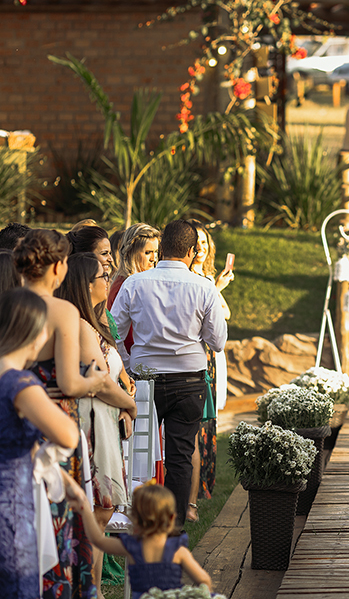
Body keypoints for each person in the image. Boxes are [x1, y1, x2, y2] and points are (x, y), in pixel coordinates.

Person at [111, 219, 228, 525]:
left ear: (161, 248)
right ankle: (173, 528)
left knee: (139, 454)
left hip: (144, 379)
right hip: (188, 381)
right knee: (180, 456)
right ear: (192, 251)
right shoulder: (204, 287)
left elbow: (113, 331)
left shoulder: (134, 284)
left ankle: (139, 522)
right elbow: (218, 341)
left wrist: (127, 363)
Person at [55, 252, 137, 588]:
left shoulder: (94, 323)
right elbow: (100, 380)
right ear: (85, 285)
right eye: (102, 276)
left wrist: (123, 404)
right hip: (91, 420)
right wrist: (130, 405)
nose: (108, 280)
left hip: (104, 417)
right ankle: (88, 588)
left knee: (101, 510)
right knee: (97, 508)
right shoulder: (81, 325)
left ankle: (93, 588)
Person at [0, 288, 80, 599]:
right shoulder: (18, 383)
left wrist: (65, 483)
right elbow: (68, 435)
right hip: (11, 509)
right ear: (33, 333)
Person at [65, 480, 212, 599]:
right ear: (172, 518)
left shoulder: (133, 547)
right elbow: (204, 580)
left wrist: (85, 509)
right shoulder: (178, 551)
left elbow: (98, 539)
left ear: (134, 519)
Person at [185, 220, 234, 523]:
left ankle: (203, 483)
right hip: (199, 355)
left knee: (209, 418)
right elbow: (210, 311)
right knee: (199, 420)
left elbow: (224, 312)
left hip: (212, 354)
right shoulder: (190, 278)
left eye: (205, 242)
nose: (201, 247)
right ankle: (195, 486)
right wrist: (216, 288)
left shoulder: (205, 276)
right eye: (197, 242)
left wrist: (217, 286)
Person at [108, 223, 161, 355]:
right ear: (131, 252)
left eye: (155, 252)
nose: (153, 259)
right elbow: (120, 335)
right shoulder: (124, 285)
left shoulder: (137, 281)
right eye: (147, 253)